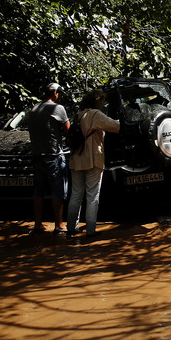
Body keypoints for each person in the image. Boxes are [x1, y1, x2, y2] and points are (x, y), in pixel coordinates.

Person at [67, 89, 120, 239]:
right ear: (97, 101)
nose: (104, 104)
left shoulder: (78, 115)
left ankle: (71, 228)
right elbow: (115, 126)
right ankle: (90, 230)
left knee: (76, 194)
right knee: (92, 195)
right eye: (102, 101)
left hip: (76, 159)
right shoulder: (95, 115)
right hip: (92, 159)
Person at [27, 82, 70, 234]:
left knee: (38, 192)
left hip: (37, 156)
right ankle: (59, 225)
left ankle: (37, 224)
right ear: (55, 93)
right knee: (58, 192)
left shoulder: (33, 109)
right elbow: (68, 131)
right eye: (59, 94)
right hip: (53, 156)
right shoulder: (57, 108)